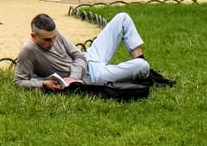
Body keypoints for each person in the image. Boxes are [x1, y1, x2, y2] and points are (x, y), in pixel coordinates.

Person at [14, 12, 175, 90]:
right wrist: (43, 84)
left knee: (122, 18)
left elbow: (78, 56)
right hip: (93, 76)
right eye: (47, 40)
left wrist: (72, 77)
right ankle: (145, 71)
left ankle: (146, 71)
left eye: (54, 37)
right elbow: (19, 81)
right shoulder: (28, 51)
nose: (53, 42)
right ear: (34, 36)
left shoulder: (54, 34)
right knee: (141, 66)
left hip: (89, 58)